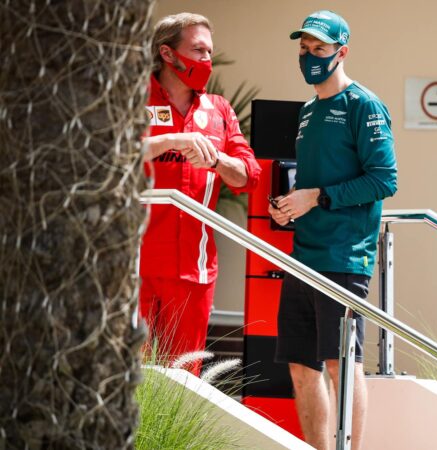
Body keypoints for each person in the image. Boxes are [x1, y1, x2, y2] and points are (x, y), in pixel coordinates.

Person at [268, 10, 398, 450]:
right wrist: (287, 207)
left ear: (341, 52)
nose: (309, 57)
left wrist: (317, 196)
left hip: (344, 257)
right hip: (303, 254)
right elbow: (308, 182)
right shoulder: (308, 110)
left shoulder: (364, 105)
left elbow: (385, 179)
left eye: (319, 49)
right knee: (302, 368)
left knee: (342, 363)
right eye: (303, 49)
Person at [138, 13, 261, 374]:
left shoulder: (219, 109)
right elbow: (109, 155)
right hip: (133, 267)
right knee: (128, 380)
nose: (206, 60)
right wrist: (172, 140)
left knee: (182, 380)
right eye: (198, 50)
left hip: (194, 269)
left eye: (210, 52)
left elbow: (248, 177)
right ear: (168, 53)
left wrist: (217, 158)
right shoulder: (130, 99)